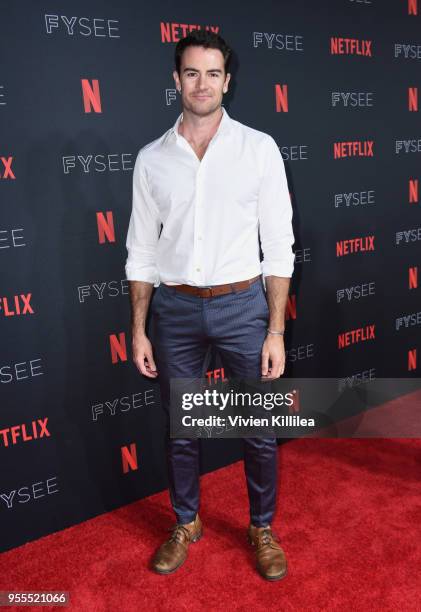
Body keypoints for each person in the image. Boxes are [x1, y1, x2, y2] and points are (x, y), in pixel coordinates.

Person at [125, 30, 295, 581]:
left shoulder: (258, 148)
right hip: (173, 310)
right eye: (192, 73)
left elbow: (280, 245)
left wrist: (274, 330)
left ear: (228, 81)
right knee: (182, 427)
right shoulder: (152, 159)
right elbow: (141, 250)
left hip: (243, 306)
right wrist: (139, 327)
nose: (202, 84)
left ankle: (261, 526)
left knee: (257, 429)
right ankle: (186, 522)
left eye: (213, 73)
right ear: (176, 80)